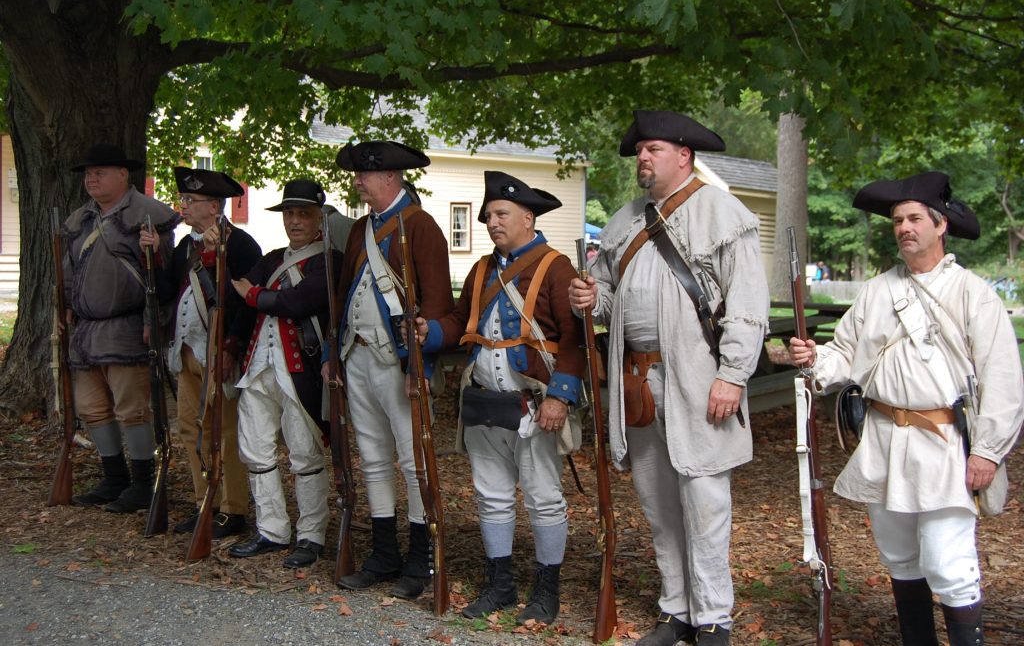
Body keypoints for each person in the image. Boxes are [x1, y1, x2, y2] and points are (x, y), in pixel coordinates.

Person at [788, 171, 1023, 646]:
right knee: (899, 556)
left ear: (941, 226)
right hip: (882, 438)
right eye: (898, 220)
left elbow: (1002, 379)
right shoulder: (877, 291)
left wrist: (989, 451)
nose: (904, 227)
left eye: (915, 218)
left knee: (946, 561)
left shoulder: (973, 293)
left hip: (944, 445)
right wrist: (815, 359)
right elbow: (845, 353)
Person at [568, 110, 769, 646]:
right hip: (637, 385)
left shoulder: (724, 214)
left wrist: (732, 375)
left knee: (705, 507)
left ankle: (713, 620)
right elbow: (607, 294)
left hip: (701, 383)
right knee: (658, 505)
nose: (643, 157)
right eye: (640, 151)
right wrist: (591, 298)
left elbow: (748, 307)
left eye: (653, 149)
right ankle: (676, 610)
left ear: (684, 155)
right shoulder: (626, 219)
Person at [412, 171, 583, 625]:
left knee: (544, 497)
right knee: (491, 496)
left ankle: (546, 590)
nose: (491, 222)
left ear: (528, 218)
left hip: (534, 404)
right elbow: (456, 320)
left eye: (501, 214)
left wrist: (560, 397)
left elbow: (576, 337)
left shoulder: (556, 266)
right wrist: (432, 333)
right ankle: (500, 584)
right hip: (484, 401)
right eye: (488, 216)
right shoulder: (483, 269)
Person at [326, 140, 454, 600]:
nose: (358, 181)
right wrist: (330, 354)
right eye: (357, 173)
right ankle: (383, 554)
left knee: (412, 459)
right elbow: (341, 295)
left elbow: (438, 302)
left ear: (390, 178)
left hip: (399, 362)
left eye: (365, 174)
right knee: (374, 458)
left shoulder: (421, 227)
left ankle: (420, 559)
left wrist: (422, 365)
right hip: (356, 356)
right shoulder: (361, 228)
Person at [140, 167, 262, 538]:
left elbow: (242, 304)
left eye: (190, 201)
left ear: (213, 206)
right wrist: (155, 256)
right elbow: (165, 294)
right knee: (190, 427)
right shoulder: (184, 247)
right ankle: (203, 501)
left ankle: (232, 508)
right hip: (187, 350)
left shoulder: (240, 245)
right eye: (184, 200)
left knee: (223, 430)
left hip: (218, 351)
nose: (184, 207)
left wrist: (231, 346)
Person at [60, 143, 180, 513]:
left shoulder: (149, 215)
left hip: (129, 327)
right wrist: (66, 305)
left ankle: (144, 484)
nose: (91, 178)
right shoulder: (80, 218)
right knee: (93, 408)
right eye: (88, 173)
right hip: (86, 331)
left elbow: (163, 276)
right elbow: (68, 271)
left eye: (100, 172)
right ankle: (114, 478)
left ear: (123, 175)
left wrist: (152, 322)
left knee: (132, 410)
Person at [227, 179, 341, 569]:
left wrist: (256, 296)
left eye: (303, 213)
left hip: (302, 371)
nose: (295, 221)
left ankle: (311, 536)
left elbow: (299, 300)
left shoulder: (329, 260)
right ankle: (272, 530)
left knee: (305, 454)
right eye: (290, 213)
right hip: (258, 367)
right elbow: (236, 297)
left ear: (318, 219)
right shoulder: (273, 259)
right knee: (256, 450)